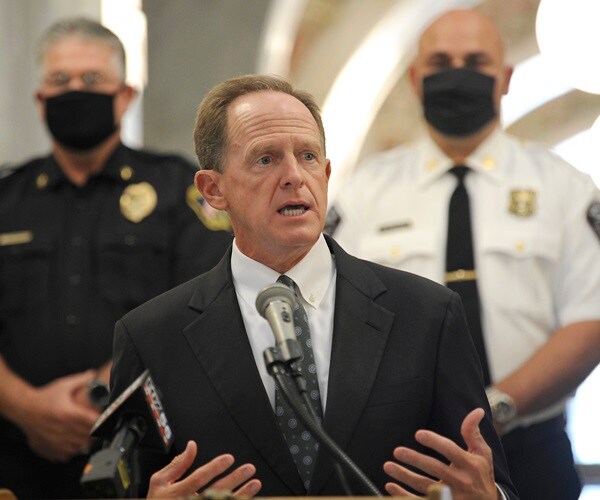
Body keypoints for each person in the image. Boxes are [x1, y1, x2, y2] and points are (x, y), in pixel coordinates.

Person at [109, 73, 518, 499]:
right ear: (213, 189)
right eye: (265, 159)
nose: (293, 176)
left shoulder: (428, 315)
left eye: (307, 156)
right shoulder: (151, 337)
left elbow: (492, 482)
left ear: (325, 173)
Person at [328, 9, 600, 500]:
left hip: (531, 448)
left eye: (475, 61)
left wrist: (496, 407)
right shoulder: (364, 195)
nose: (457, 74)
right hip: (400, 453)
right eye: (441, 63)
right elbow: (330, 315)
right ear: (415, 78)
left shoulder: (564, 187)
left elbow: (591, 320)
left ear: (506, 78)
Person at [0, 17, 232, 498]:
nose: (75, 91)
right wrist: (26, 407)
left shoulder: (177, 191)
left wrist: (104, 390)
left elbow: (209, 307)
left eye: (92, 79)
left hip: (148, 462)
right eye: (60, 80)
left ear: (125, 96)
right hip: (17, 461)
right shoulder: (6, 198)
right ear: (40, 99)